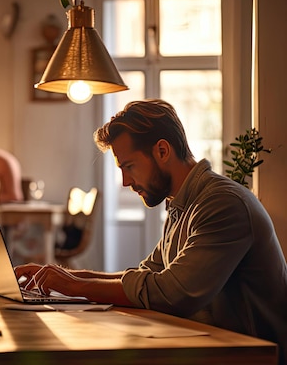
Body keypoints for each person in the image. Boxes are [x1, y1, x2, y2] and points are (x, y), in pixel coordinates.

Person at [15, 99, 287, 363]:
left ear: (162, 151)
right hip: (209, 347)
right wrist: (64, 275)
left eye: (129, 166)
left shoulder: (223, 204)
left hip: (247, 357)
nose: (125, 182)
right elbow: (146, 276)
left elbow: (173, 293)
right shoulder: (182, 204)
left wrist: (73, 286)